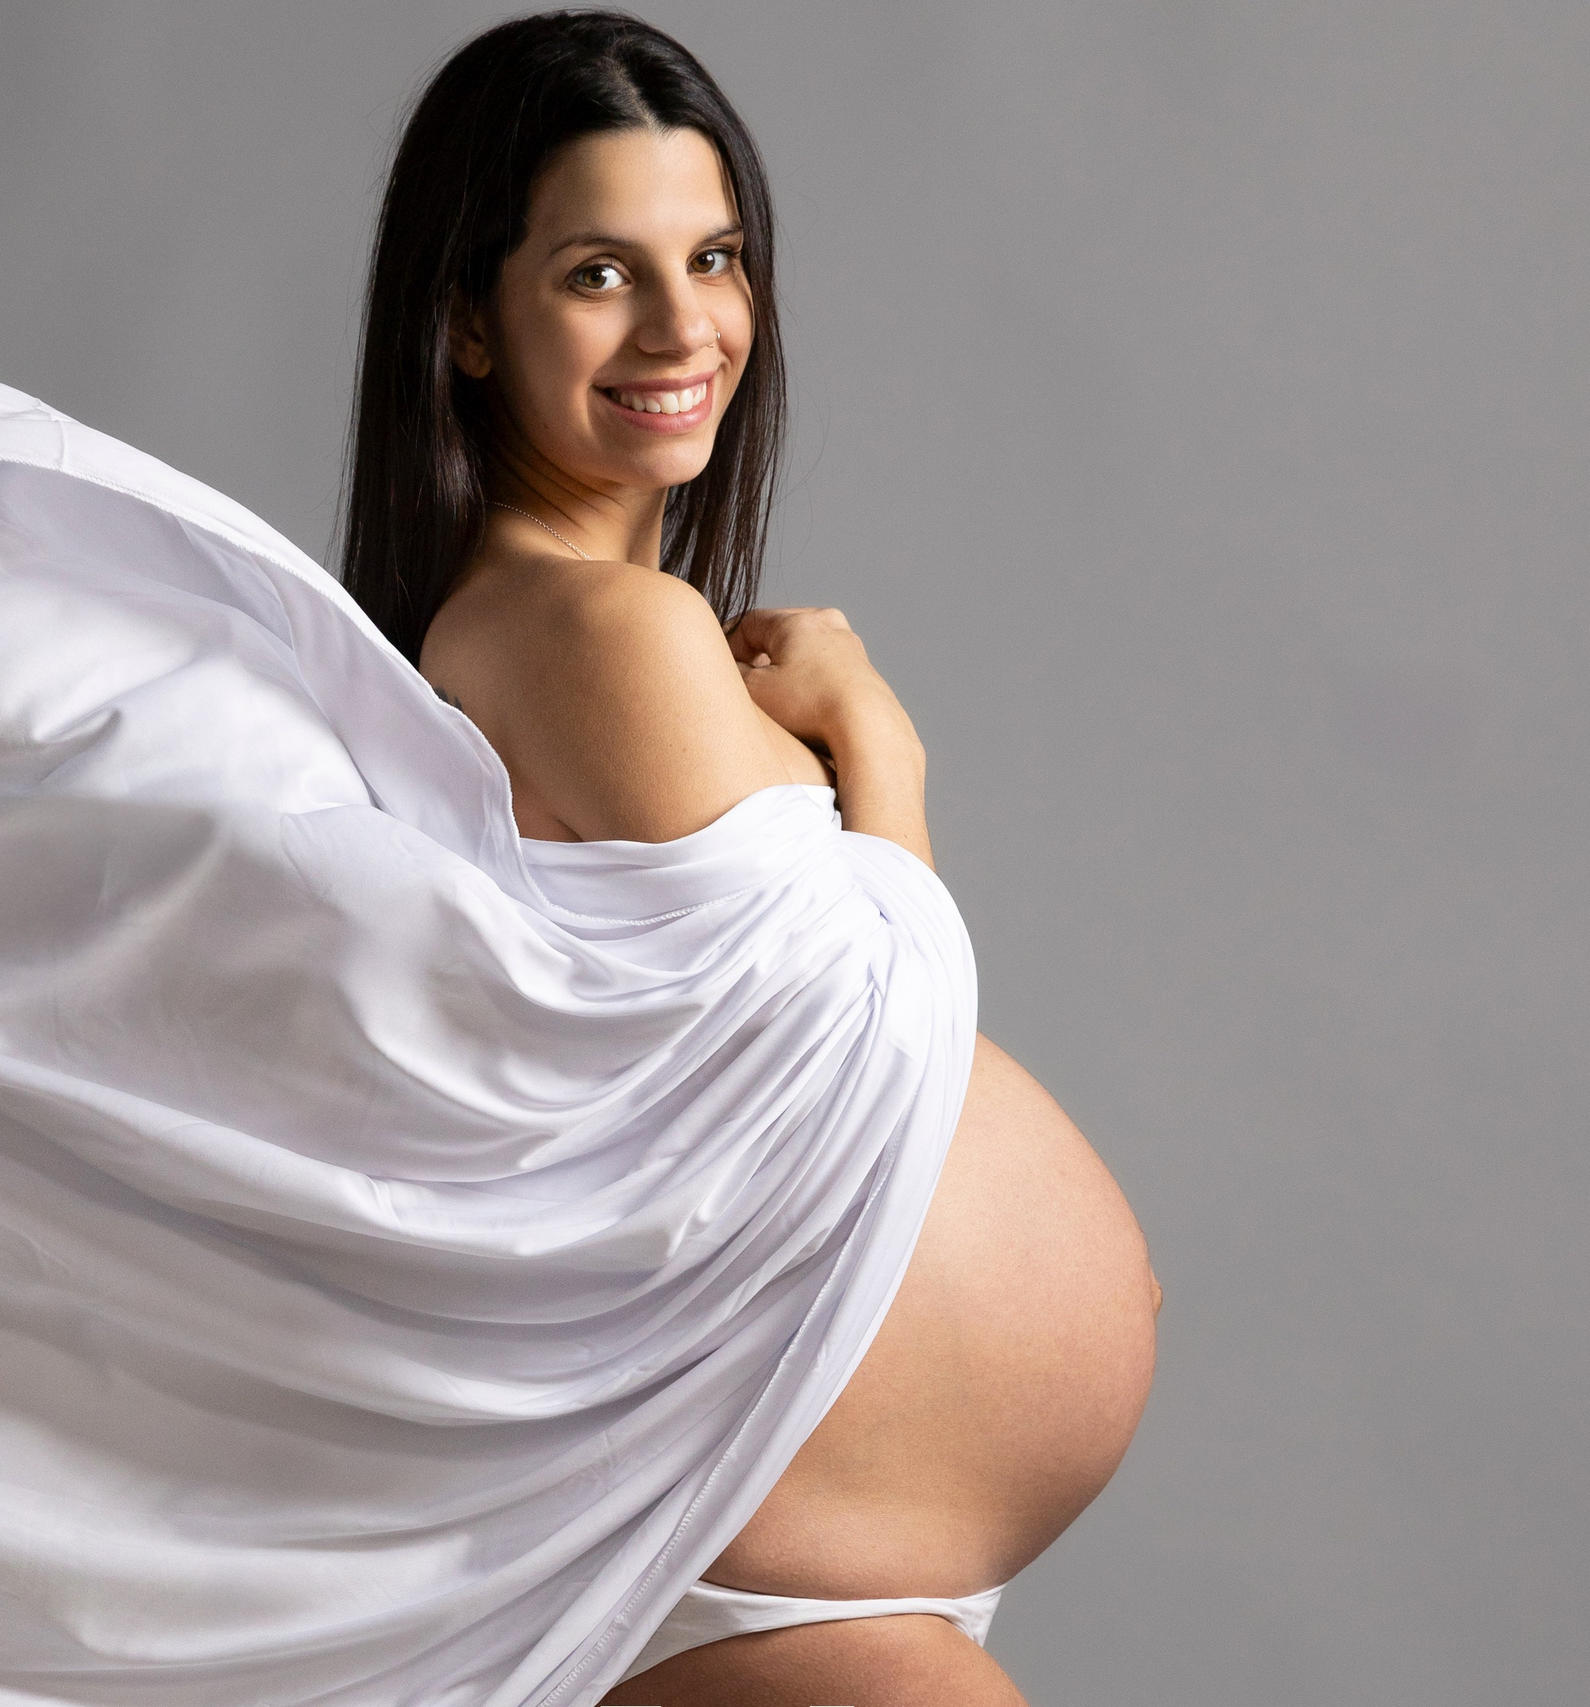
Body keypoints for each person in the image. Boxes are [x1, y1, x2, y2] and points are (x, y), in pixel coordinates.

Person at [340, 14, 1165, 1703]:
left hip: (774, 1535)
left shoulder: (557, 631)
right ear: (468, 322)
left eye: (712, 258)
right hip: (753, 1546)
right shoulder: (599, 629)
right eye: (598, 273)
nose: (682, 325)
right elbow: (873, 1038)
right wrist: (880, 739)